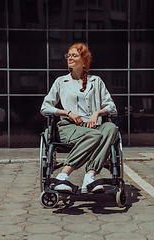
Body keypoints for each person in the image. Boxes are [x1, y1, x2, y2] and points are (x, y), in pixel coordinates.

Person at [40, 43, 118, 193]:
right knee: (96, 135)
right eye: (68, 55)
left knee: (111, 128)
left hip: (92, 127)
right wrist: (67, 113)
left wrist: (96, 113)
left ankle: (89, 178)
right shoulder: (61, 82)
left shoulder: (96, 81)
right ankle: (63, 176)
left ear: (84, 60)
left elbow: (112, 107)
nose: (70, 58)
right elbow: (45, 107)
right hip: (69, 127)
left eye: (74, 55)